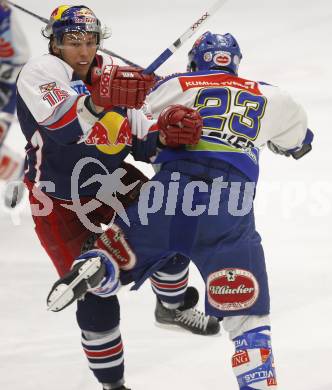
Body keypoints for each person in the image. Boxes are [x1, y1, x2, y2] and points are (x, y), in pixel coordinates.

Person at [50, 31, 314, 389]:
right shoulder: (272, 94)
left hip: (170, 192)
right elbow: (300, 143)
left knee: (129, 243)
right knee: (247, 319)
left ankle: (103, 264)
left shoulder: (174, 84)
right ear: (235, 63)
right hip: (229, 206)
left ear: (194, 61)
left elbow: (130, 128)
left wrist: (126, 91)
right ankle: (254, 374)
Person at [16, 6, 219, 390]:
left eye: (90, 41)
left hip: (111, 180)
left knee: (168, 222)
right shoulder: (39, 73)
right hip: (59, 200)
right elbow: (64, 127)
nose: (83, 51)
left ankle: (172, 306)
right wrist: (101, 99)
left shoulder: (110, 71)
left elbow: (140, 140)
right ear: (54, 42)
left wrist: (167, 133)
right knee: (93, 293)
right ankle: (113, 384)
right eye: (73, 42)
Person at [0, 1, 29, 207]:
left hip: (5, 85)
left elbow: (17, 57)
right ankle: (19, 171)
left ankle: (20, 173)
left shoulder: (2, 16)